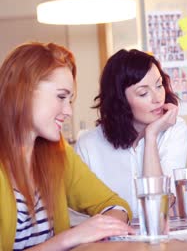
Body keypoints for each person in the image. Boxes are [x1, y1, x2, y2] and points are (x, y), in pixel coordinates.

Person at [0, 42, 133, 250]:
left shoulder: (58, 153)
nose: (68, 111)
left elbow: (115, 205)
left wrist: (103, 226)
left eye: (70, 100)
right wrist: (68, 238)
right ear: (23, 90)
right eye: (61, 97)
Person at [74, 49, 187, 216]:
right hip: (110, 240)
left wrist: (151, 136)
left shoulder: (175, 130)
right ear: (120, 101)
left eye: (159, 85)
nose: (157, 98)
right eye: (143, 93)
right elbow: (79, 217)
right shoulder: (88, 145)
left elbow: (159, 210)